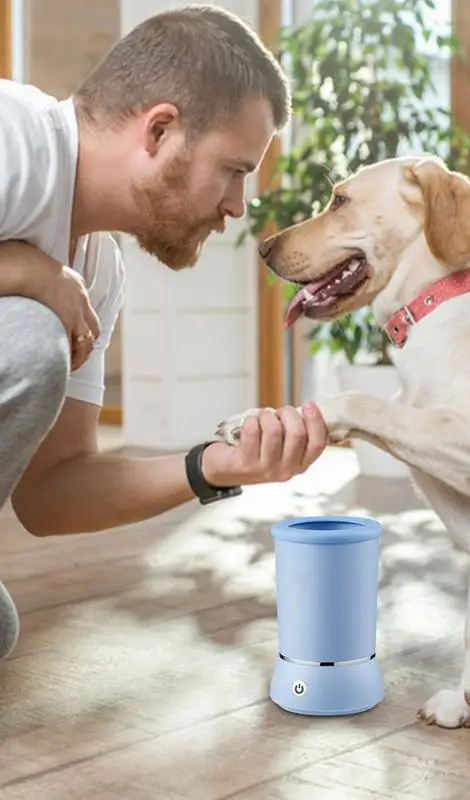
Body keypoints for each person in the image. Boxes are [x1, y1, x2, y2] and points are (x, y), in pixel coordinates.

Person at [0, 6, 328, 659]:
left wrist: (211, 466)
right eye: (234, 169)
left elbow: (50, 492)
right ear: (159, 131)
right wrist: (23, 269)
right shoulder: (12, 139)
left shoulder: (95, 267)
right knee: (35, 339)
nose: (238, 206)